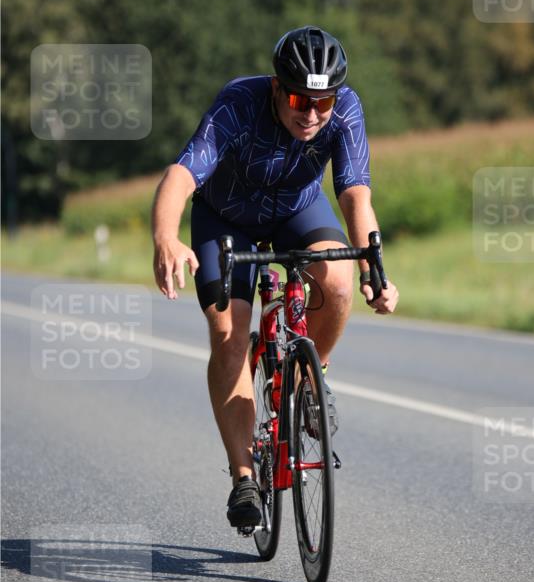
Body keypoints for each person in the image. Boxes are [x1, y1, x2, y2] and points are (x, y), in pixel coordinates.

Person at [151, 26, 399, 529]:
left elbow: (355, 194)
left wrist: (375, 267)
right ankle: (244, 477)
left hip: (297, 211)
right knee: (229, 334)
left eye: (321, 102)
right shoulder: (239, 103)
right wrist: (165, 236)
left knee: (337, 281)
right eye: (297, 98)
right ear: (274, 86)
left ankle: (311, 378)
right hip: (226, 218)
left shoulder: (346, 109)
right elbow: (181, 175)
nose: (310, 114)